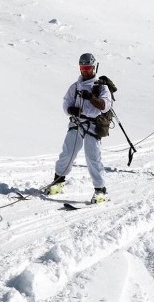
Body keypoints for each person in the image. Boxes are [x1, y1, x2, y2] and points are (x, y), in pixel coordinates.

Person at [46, 53, 113, 203]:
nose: (85, 71)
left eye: (88, 67)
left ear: (93, 67)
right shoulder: (74, 87)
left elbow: (105, 106)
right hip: (76, 123)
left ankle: (100, 190)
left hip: (93, 126)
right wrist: (71, 110)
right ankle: (58, 182)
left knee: (93, 157)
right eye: (82, 67)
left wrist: (92, 98)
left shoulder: (102, 87)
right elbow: (66, 103)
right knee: (67, 153)